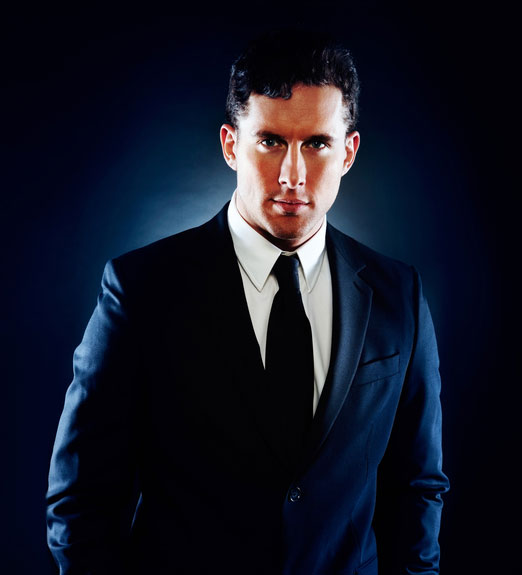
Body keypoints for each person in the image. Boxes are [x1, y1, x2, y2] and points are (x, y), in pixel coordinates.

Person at [46, 29, 449, 575]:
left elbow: (417, 486)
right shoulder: (141, 291)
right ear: (231, 144)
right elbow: (81, 502)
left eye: (317, 144)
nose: (292, 175)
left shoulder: (399, 295)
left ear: (349, 152)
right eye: (270, 141)